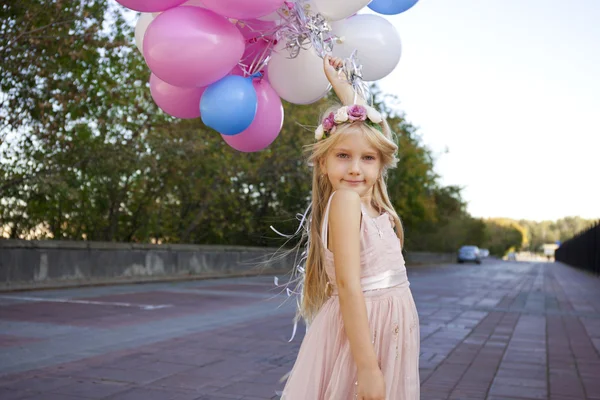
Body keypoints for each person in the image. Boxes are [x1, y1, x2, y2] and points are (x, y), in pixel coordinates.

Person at [280, 55, 420, 400]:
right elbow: (348, 286)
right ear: (323, 161)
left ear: (381, 163)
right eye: (343, 156)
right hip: (363, 333)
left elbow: (374, 127)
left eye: (367, 158)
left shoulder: (375, 206)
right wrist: (368, 368)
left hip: (390, 327)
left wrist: (341, 83)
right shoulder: (344, 203)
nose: (356, 168)